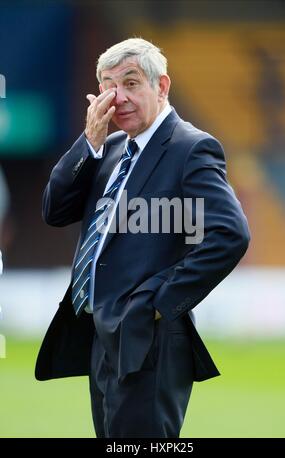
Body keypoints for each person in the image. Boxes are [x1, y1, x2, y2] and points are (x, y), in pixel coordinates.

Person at [35, 38, 250, 438]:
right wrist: (90, 143)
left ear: (161, 86)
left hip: (148, 339)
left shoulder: (191, 147)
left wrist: (159, 302)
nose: (120, 97)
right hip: (102, 335)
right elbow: (55, 211)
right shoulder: (111, 147)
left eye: (131, 83)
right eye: (109, 86)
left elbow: (230, 234)